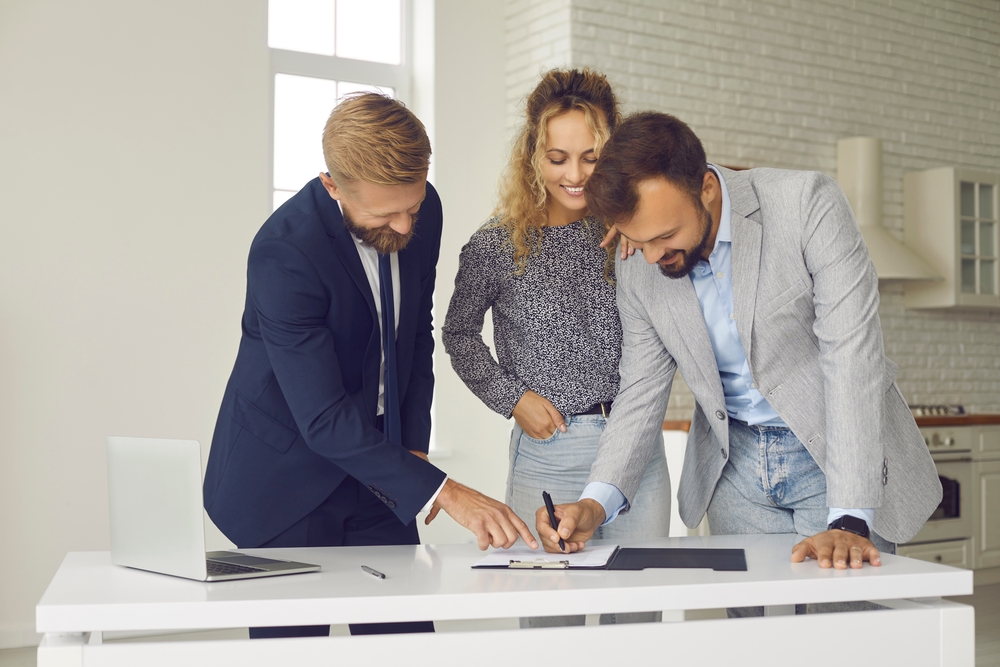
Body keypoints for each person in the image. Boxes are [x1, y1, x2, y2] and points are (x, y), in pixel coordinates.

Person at [537, 111, 941, 595]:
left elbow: (852, 357)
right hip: (735, 470)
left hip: (831, 453)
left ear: (706, 187)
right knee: (751, 636)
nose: (649, 257)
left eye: (664, 236)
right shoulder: (639, 261)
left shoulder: (806, 205)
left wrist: (850, 517)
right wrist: (594, 503)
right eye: (637, 240)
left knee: (842, 629)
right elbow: (640, 391)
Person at [203, 93, 536, 639]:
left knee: (402, 640)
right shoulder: (284, 253)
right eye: (386, 215)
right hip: (287, 480)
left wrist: (414, 450)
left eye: (414, 206)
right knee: (295, 651)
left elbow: (414, 336)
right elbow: (324, 418)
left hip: (382, 468)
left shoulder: (421, 210)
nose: (406, 228)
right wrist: (444, 491)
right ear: (332, 185)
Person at [442, 70, 670, 627]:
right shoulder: (497, 243)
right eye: (558, 157)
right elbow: (458, 333)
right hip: (551, 452)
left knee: (638, 626)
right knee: (550, 630)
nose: (574, 175)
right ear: (533, 156)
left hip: (636, 449)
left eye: (591, 158)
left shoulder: (628, 232)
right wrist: (510, 396)